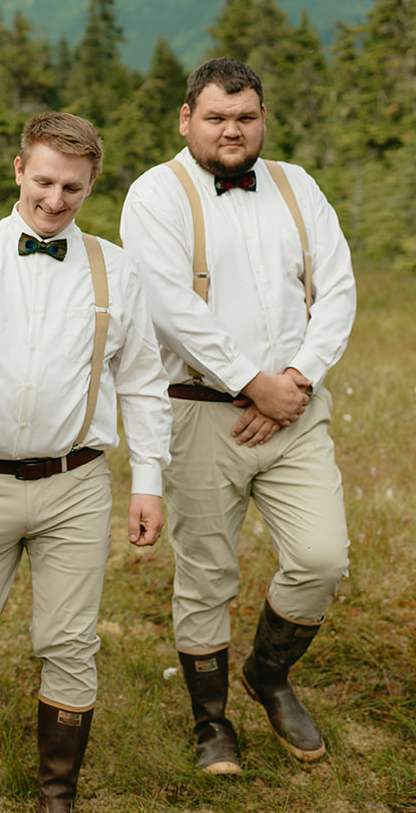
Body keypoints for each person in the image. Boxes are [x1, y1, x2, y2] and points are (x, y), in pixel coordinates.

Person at [0, 112, 171, 812]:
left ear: (92, 185)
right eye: (44, 181)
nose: (56, 199)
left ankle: (56, 793)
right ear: (17, 170)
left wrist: (147, 483)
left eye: (73, 187)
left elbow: (143, 380)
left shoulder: (117, 270)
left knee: (68, 639)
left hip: (76, 484)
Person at [119, 56, 356, 774]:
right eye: (217, 116)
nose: (232, 129)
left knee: (321, 558)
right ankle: (211, 721)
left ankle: (270, 672)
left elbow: (337, 286)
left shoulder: (296, 183)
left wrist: (295, 378)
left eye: (245, 116)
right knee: (206, 573)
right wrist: (253, 381)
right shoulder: (153, 195)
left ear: (262, 119)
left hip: (296, 409)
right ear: (186, 118)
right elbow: (169, 306)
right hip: (197, 413)